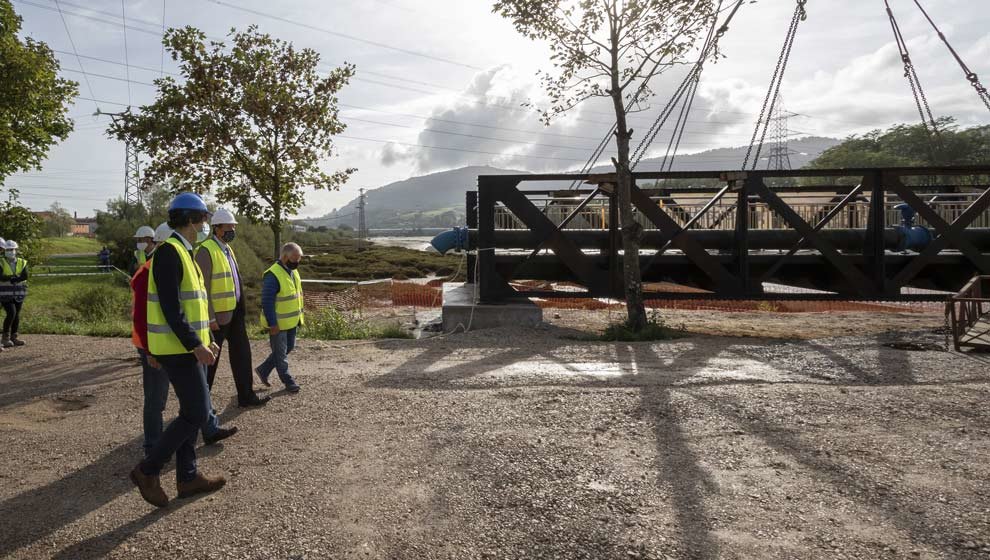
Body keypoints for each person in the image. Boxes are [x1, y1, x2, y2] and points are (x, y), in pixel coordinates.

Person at [129, 192, 230, 508]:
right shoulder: (171, 253)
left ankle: (188, 476)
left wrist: (205, 338)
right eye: (202, 219)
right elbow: (172, 310)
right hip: (178, 350)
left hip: (189, 347)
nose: (205, 225)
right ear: (190, 219)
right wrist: (194, 344)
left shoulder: (186, 252)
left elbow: (193, 307)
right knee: (197, 412)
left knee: (192, 411)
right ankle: (148, 470)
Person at [195, 209, 270, 408]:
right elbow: (203, 289)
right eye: (229, 227)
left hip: (235, 312)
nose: (232, 230)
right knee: (211, 360)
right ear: (217, 229)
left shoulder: (227, 248)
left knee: (242, 355)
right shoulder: (206, 250)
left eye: (233, 226)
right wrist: (209, 318)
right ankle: (201, 403)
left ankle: (246, 396)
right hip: (217, 318)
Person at [130, 223, 171, 458]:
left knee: (162, 394)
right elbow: (141, 315)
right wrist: (148, 350)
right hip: (152, 345)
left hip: (167, 343)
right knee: (155, 396)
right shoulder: (148, 271)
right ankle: (152, 447)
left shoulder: (164, 266)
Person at [256, 242, 305, 394]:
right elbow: (267, 302)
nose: (297, 262)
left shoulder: (293, 271)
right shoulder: (273, 274)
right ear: (284, 257)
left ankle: (263, 370)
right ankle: (288, 380)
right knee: (281, 354)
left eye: (299, 259)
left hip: (291, 322)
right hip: (278, 323)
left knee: (287, 348)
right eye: (294, 258)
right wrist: (272, 324)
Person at [0, 240, 28, 349]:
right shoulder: (1, 262)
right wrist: (13, 278)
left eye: (13, 249)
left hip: (19, 292)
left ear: (16, 250)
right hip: (5, 293)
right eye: (8, 249)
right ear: (5, 250)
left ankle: (14, 337)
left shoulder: (22, 262)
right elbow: (0, 276)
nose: (11, 251)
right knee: (11, 313)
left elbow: (25, 275)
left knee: (17, 315)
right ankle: (5, 338)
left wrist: (13, 278)